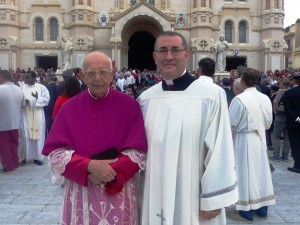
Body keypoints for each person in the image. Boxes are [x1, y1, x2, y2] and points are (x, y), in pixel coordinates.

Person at [138, 31, 238, 225]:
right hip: (154, 189)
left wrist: (213, 198)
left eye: (175, 50)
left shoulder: (210, 95)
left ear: (186, 54)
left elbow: (220, 148)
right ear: (155, 56)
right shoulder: (146, 98)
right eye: (163, 51)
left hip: (194, 193)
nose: (169, 56)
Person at [42, 51, 147, 225]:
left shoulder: (130, 106)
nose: (97, 78)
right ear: (82, 76)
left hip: (118, 190)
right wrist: (88, 166)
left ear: (112, 74)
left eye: (103, 72)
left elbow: (138, 151)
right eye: (91, 73)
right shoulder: (69, 108)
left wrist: (111, 172)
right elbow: (56, 153)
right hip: (81, 190)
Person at [228, 67, 275, 223]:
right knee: (260, 173)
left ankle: (245, 211)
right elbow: (268, 123)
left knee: (244, 174)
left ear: (242, 81)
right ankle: (261, 209)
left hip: (243, 141)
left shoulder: (239, 99)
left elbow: (231, 123)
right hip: (260, 139)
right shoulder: (265, 98)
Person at [19, 71, 50, 166]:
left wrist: (38, 98)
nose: (26, 79)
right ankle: (23, 157)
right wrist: (24, 103)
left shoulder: (41, 87)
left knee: (39, 136)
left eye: (28, 77)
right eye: (25, 77)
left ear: (33, 78)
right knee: (24, 136)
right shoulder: (21, 88)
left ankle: (38, 157)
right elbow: (18, 100)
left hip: (37, 113)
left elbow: (47, 99)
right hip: (25, 114)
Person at [0, 70, 24, 172]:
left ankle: (7, 165)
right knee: (14, 143)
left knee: (4, 145)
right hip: (15, 121)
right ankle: (15, 162)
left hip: (2, 121)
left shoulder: (0, 89)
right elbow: (23, 105)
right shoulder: (19, 89)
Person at [270, 78, 291, 162]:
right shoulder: (291, 91)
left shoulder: (281, 91)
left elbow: (275, 101)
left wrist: (275, 110)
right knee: (287, 137)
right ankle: (285, 156)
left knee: (275, 135)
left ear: (283, 83)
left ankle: (276, 154)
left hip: (280, 117)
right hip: (289, 116)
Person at [282, 74, 300, 173]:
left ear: (294, 81)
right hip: (294, 121)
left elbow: (287, 110)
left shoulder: (289, 93)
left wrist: (297, 118)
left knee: (295, 144)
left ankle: (298, 165)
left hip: (293, 123)